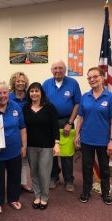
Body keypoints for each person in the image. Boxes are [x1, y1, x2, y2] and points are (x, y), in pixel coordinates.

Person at [74, 67, 112, 205]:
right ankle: (86, 191)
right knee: (86, 167)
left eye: (95, 77)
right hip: (87, 138)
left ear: (103, 77)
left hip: (103, 140)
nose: (92, 80)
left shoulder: (110, 97)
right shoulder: (85, 97)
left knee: (104, 168)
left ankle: (105, 192)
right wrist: (77, 135)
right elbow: (80, 117)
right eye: (89, 78)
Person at [42, 59, 81, 192]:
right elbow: (41, 103)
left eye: (60, 68)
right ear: (51, 70)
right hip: (50, 123)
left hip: (66, 122)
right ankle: (54, 177)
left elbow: (77, 104)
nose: (57, 70)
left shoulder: (73, 83)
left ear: (65, 70)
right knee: (52, 152)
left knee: (67, 154)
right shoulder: (46, 84)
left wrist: (70, 123)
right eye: (55, 68)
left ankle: (69, 179)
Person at [23, 82, 60, 210]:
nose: (34, 93)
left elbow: (55, 127)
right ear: (29, 93)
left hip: (47, 146)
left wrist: (57, 144)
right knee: (33, 172)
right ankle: (37, 195)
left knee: (44, 172)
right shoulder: (25, 108)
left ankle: (44, 197)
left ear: (41, 93)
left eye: (36, 91)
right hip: (30, 146)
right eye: (31, 91)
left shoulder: (50, 107)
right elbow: (22, 128)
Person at [0, 81, 27, 213]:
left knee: (15, 176)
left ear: (9, 93)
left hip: (14, 150)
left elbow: (22, 127)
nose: (2, 95)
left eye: (5, 92)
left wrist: (24, 146)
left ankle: (13, 198)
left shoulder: (16, 107)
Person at [9, 72, 33, 193]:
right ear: (13, 83)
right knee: (12, 161)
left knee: (24, 159)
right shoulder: (8, 97)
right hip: (13, 133)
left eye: (22, 81)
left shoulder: (30, 97)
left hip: (28, 132)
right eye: (18, 81)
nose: (20, 83)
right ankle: (13, 184)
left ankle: (23, 183)